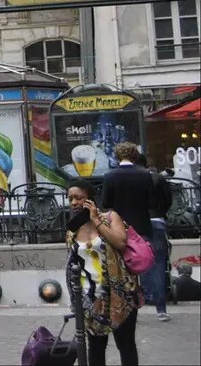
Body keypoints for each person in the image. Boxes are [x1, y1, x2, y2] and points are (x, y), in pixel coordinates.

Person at [66, 179, 141, 366]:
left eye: (78, 198)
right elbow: (73, 265)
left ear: (90, 199)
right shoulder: (72, 230)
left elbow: (120, 242)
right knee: (96, 348)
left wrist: (96, 221)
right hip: (91, 297)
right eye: (70, 199)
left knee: (126, 345)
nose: (74, 203)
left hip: (120, 293)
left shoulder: (110, 217)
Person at [138, 156, 172, 321]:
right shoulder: (159, 178)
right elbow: (168, 200)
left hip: (141, 223)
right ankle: (161, 309)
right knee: (159, 265)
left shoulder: (135, 179)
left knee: (141, 263)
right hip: (158, 220)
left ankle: (144, 296)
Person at [102, 142, 154, 240]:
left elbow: (106, 203)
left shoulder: (109, 176)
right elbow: (151, 202)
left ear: (117, 156)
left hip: (118, 225)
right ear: (135, 156)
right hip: (141, 225)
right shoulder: (145, 174)